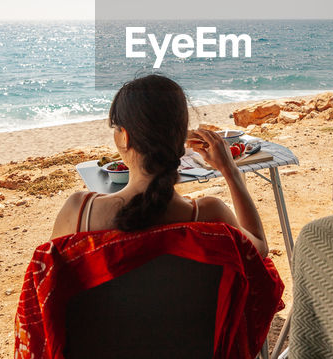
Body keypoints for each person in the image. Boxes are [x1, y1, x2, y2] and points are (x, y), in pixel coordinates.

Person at [51, 74, 269, 257]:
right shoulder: (210, 215)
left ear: (125, 136)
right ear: (182, 138)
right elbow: (259, 248)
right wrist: (229, 170)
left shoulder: (79, 213)